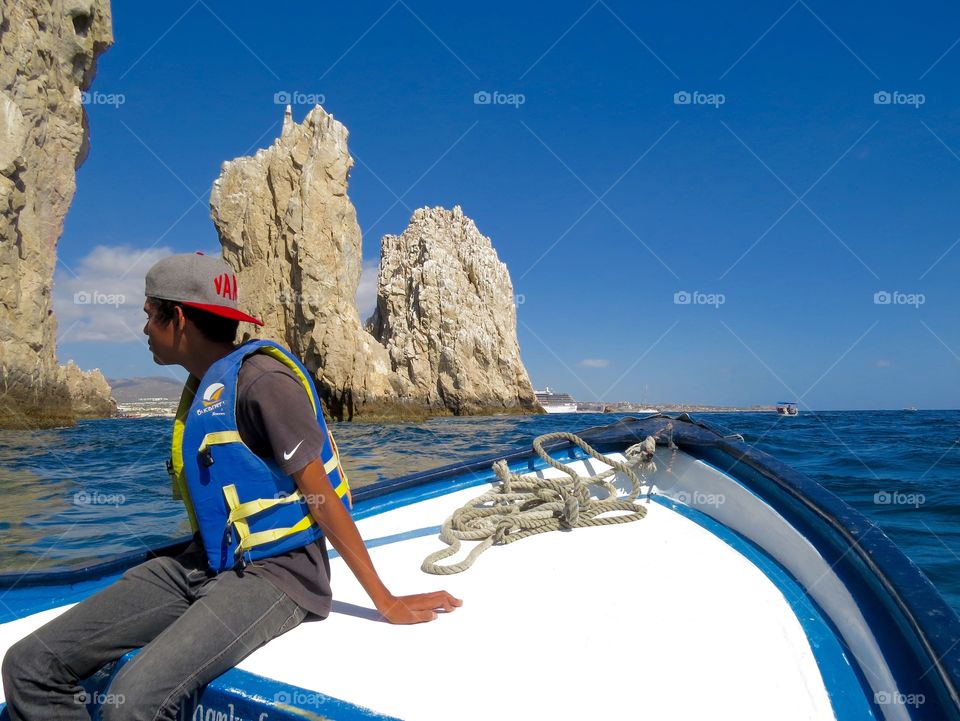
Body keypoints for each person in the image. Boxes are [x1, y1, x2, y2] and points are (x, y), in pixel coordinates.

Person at [1, 253, 461, 721]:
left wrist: (384, 600)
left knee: (136, 699)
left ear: (177, 317)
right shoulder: (205, 386)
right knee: (30, 664)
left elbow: (320, 497)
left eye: (147, 315)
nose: (143, 330)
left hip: (276, 576)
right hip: (206, 564)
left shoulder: (264, 382)